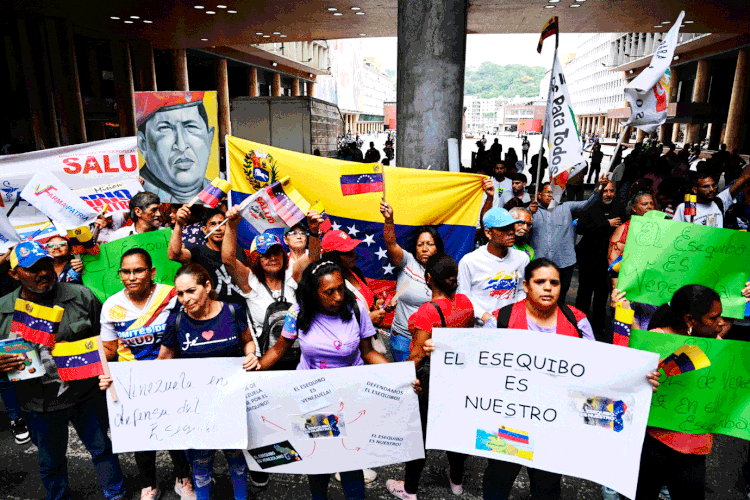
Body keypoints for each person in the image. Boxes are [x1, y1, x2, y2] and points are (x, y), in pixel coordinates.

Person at [480, 259, 658, 500]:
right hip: (508, 423)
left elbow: (597, 369)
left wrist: (639, 378)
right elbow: (476, 365)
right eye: (539, 282)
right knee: (498, 482)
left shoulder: (576, 320)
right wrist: (441, 352)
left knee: (547, 487)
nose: (547, 288)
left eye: (554, 282)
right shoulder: (500, 320)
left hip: (554, 427)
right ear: (525, 285)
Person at [258, 260, 396, 500]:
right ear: (313, 293)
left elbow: (368, 352)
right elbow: (279, 349)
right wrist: (252, 370)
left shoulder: (356, 309)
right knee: (317, 457)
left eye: (341, 288)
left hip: (350, 395)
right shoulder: (297, 312)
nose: (338, 297)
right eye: (329, 292)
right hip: (312, 397)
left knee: (351, 458)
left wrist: (400, 377)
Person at [0, 242, 126, 500]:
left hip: (86, 395)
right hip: (38, 404)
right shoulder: (2, 310)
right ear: (14, 275)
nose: (43, 273)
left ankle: (117, 494)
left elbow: (107, 339)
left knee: (102, 449)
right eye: (32, 269)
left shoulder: (81, 296)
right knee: (50, 461)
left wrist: (90, 352)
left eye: (45, 265)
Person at [98, 248, 194, 500]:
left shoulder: (172, 295)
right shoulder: (111, 306)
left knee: (176, 430)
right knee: (140, 435)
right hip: (132, 380)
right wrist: (103, 374)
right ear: (120, 274)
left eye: (138, 270)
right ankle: (148, 484)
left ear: (151, 272)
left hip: (173, 375)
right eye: (126, 272)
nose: (132, 276)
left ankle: (183, 479)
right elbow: (108, 352)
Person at [160, 263, 259, 500]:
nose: (185, 298)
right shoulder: (175, 321)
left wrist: (251, 355)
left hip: (232, 400)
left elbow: (248, 341)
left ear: (207, 286)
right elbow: (162, 362)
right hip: (196, 405)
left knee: (235, 454)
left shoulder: (233, 311)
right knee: (201, 458)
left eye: (191, 291)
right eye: (180, 294)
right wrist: (123, 382)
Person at [385, 253, 471, 500]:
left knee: (419, 432)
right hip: (457, 375)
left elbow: (417, 355)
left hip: (431, 378)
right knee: (454, 429)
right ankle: (456, 481)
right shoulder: (466, 303)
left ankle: (409, 489)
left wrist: (400, 383)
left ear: (429, 278)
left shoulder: (427, 312)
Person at [631, 285, 726, 500]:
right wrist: (644, 379)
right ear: (690, 320)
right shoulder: (657, 340)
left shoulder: (718, 346)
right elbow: (627, 386)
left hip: (695, 446)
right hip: (654, 441)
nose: (721, 322)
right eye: (714, 318)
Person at [380, 198, 445, 362]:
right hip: (402, 338)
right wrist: (389, 220)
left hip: (432, 340)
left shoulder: (444, 268)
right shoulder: (407, 262)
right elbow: (390, 243)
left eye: (430, 244)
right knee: (406, 382)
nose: (424, 249)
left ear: (437, 247)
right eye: (420, 244)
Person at [531, 175, 609, 304]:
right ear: (539, 195)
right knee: (539, 297)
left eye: (554, 193)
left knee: (560, 298)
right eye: (548, 192)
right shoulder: (532, 212)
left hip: (564, 264)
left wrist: (599, 187)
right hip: (540, 264)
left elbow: (587, 203)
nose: (551, 195)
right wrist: (529, 211)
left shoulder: (567, 207)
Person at [136, 93, 215, 203]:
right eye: (165, 128)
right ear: (143, 144)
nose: (181, 146)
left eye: (191, 126)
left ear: (209, 138)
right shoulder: (133, 193)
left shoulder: (222, 194)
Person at [458, 207, 529, 324]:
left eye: (511, 227)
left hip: (512, 325)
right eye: (504, 229)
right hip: (481, 329)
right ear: (488, 233)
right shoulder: (470, 261)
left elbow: (522, 290)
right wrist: (485, 317)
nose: (511, 232)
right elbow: (463, 297)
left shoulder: (522, 259)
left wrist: (516, 312)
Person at [168, 206, 247, 306]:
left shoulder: (238, 251)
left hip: (240, 310)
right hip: (211, 312)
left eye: (222, 224)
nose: (218, 228)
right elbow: (173, 255)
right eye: (212, 224)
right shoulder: (197, 251)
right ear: (205, 230)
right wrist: (179, 224)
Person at [575, 180, 625, 337]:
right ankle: (578, 326)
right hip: (588, 259)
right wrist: (606, 223)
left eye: (611, 191)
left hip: (608, 263)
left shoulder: (619, 207)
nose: (608, 194)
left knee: (602, 297)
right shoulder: (590, 207)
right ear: (599, 192)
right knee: (584, 294)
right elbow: (581, 228)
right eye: (605, 191)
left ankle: (597, 329)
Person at [672, 165, 750, 227]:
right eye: (706, 187)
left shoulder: (720, 202)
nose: (712, 189)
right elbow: (675, 231)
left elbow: (743, 179)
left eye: (713, 185)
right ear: (695, 190)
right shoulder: (687, 207)